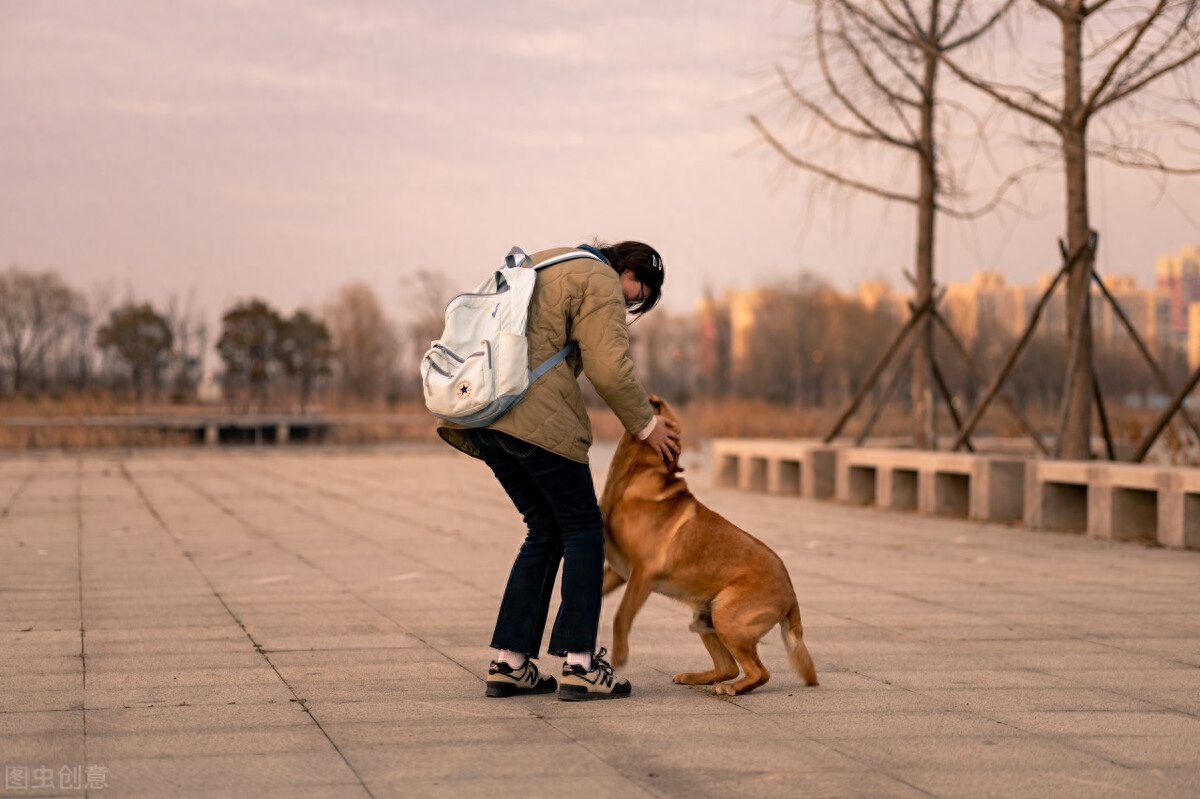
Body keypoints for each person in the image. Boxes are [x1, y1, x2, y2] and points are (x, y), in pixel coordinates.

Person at [436, 240, 681, 701]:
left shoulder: (551, 260)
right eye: (639, 291)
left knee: (544, 529)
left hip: (487, 413)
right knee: (584, 530)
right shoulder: (601, 280)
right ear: (627, 268)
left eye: (641, 301)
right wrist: (646, 425)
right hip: (535, 417)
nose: (633, 301)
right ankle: (581, 664)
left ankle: (511, 663)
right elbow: (609, 369)